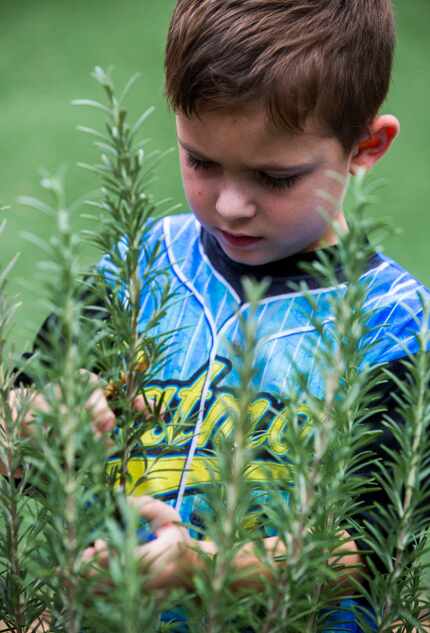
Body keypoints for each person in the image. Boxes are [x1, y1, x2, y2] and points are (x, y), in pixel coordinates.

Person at [8, 0, 430, 631]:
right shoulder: (141, 266)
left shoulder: (395, 324)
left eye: (274, 177)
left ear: (366, 147)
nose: (231, 205)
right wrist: (43, 422)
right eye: (201, 162)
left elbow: (370, 544)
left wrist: (206, 565)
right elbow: (19, 412)